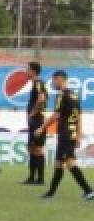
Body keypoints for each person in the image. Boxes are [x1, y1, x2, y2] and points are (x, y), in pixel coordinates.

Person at [36, 70, 94, 201]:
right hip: (70, 133)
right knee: (58, 163)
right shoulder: (74, 95)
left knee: (69, 162)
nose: (53, 83)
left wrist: (42, 127)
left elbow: (56, 115)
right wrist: (78, 134)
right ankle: (51, 193)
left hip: (66, 134)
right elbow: (79, 116)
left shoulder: (62, 95)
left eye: (54, 80)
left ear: (59, 79)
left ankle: (89, 191)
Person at [23, 62, 48, 185]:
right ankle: (32, 177)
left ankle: (40, 179)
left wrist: (32, 113)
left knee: (37, 149)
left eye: (27, 69)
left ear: (33, 71)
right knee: (31, 148)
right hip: (34, 120)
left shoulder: (38, 83)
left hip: (37, 120)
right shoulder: (35, 83)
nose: (26, 72)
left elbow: (42, 99)